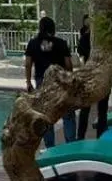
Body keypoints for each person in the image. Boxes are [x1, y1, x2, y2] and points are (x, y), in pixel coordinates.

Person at [24, 16, 77, 148]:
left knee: (46, 116)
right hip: (61, 81)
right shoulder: (61, 43)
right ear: (53, 28)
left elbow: (28, 64)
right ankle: (70, 147)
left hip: (42, 82)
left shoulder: (33, 43)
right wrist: (69, 79)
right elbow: (69, 64)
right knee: (67, 114)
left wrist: (28, 83)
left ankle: (50, 148)